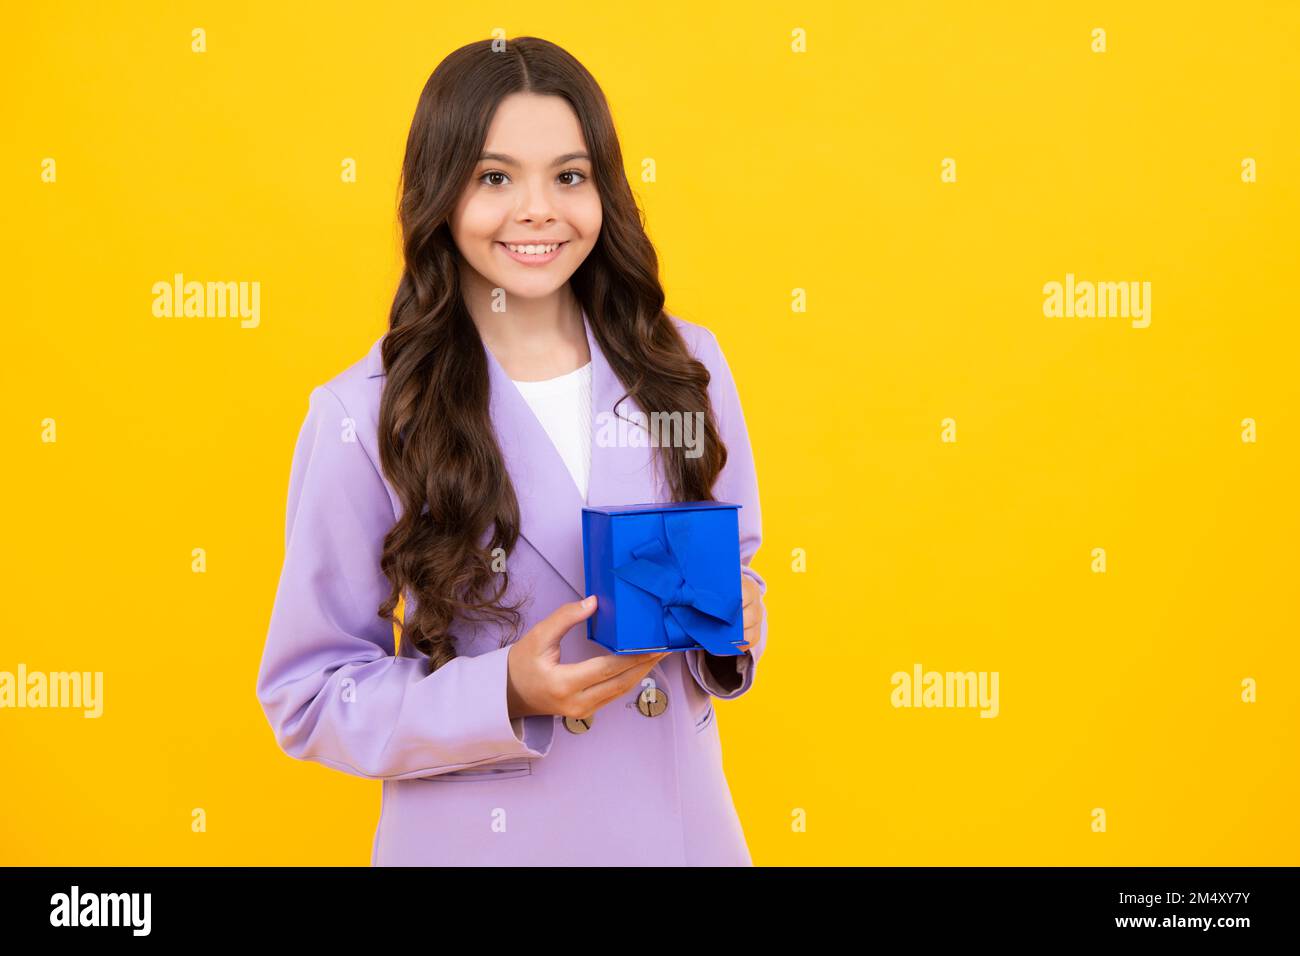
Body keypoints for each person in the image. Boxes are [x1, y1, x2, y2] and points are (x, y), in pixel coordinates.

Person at [256, 35, 768, 865]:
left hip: (680, 836)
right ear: (439, 193)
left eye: (569, 176)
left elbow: (738, 565)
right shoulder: (366, 413)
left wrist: (735, 619)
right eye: (495, 177)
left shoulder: (685, 367)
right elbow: (309, 694)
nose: (538, 210)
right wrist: (502, 690)